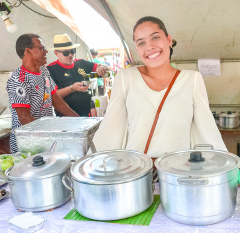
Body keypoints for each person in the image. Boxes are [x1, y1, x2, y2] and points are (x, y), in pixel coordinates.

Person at [93, 16, 227, 159]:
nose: (149, 47)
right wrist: (90, 167)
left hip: (177, 174)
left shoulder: (192, 80)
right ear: (137, 50)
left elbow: (207, 131)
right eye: (141, 43)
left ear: (169, 40)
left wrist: (226, 167)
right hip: (137, 174)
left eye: (155, 37)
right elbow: (110, 130)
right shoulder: (126, 78)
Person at [7, 33, 79, 153]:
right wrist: (47, 137)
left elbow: (56, 100)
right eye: (41, 48)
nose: (46, 51)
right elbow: (24, 118)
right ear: (27, 51)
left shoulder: (43, 71)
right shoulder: (18, 79)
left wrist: (78, 120)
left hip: (44, 140)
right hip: (27, 145)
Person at [47, 34, 110, 116]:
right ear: (56, 53)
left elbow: (107, 69)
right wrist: (72, 88)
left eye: (72, 51)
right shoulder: (51, 69)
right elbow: (52, 96)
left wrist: (102, 67)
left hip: (88, 116)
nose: (70, 55)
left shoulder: (81, 63)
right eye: (66, 53)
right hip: (66, 118)